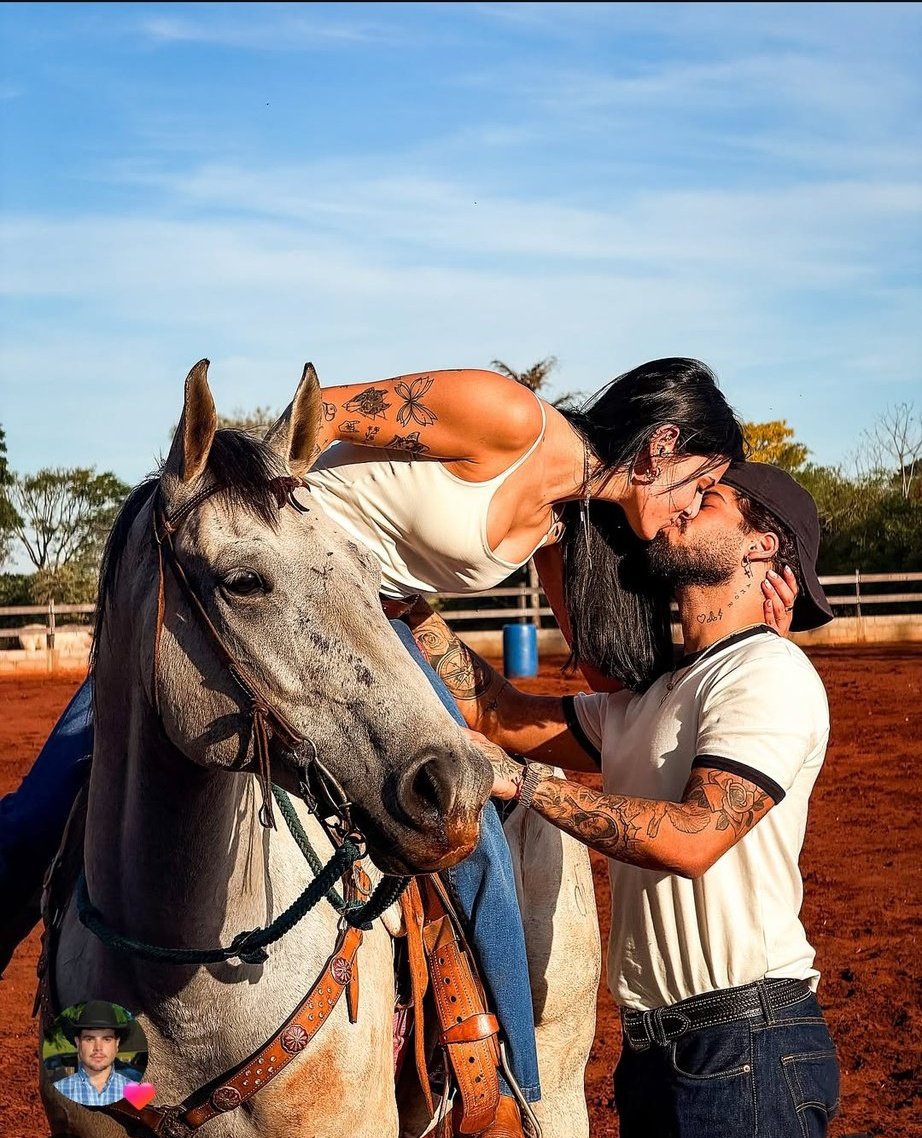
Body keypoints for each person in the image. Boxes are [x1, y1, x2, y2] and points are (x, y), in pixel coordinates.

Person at [0, 359, 794, 1137]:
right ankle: (95, 1056)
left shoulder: (562, 524)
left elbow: (599, 669)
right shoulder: (512, 418)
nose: (696, 505)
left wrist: (748, 634)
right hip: (282, 582)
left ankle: (512, 1080)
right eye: (704, 481)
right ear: (662, 445)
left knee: (471, 832)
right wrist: (271, 519)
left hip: (372, 626)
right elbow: (323, 414)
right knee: (38, 813)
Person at [405, 461, 840, 1138]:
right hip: (660, 1055)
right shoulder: (650, 698)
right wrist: (408, 607)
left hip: (746, 1046)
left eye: (710, 498)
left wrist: (526, 784)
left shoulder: (768, 672)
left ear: (760, 545)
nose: (682, 506)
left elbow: (696, 837)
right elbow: (497, 712)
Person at [53, 1000, 133, 1107]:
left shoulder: (135, 1093)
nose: (98, 1048)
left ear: (117, 1043)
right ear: (78, 1042)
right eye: (90, 1039)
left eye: (106, 1039)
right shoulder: (59, 1091)